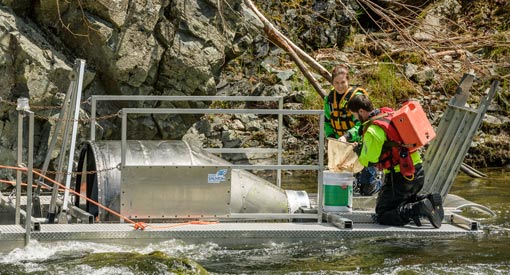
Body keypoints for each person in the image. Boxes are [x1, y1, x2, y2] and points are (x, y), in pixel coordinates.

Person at [346, 94, 443, 228]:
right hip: (417, 172)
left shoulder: (373, 131)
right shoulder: (386, 114)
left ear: (361, 111)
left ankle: (419, 208)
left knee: (383, 213)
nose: (355, 118)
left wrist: (359, 151)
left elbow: (370, 160)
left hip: (400, 178)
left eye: (354, 115)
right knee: (397, 202)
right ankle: (428, 199)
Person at [324, 64, 381, 196]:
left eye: (343, 82)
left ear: (348, 81)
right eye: (336, 83)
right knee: (349, 181)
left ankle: (379, 186)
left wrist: (347, 136)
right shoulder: (329, 100)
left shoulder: (356, 97)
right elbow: (327, 121)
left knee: (367, 185)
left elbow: (361, 123)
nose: (339, 86)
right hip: (342, 145)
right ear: (332, 82)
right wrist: (331, 138)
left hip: (359, 142)